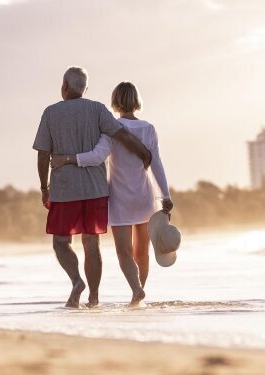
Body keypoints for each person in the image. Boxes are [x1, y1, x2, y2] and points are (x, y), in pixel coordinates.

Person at [32, 67, 152, 309]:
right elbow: (122, 135)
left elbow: (43, 155)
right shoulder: (97, 109)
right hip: (96, 190)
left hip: (64, 189)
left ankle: (77, 282)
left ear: (64, 86)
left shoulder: (50, 113)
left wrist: (44, 187)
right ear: (85, 89)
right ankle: (94, 298)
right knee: (91, 243)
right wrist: (144, 153)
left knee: (61, 243)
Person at [51, 82, 173, 306]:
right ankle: (139, 295)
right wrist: (165, 196)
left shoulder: (111, 128)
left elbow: (97, 156)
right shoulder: (148, 128)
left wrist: (69, 159)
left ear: (115, 100)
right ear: (136, 100)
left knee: (124, 252)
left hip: (120, 197)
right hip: (145, 195)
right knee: (142, 252)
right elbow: (157, 164)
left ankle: (136, 291)